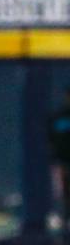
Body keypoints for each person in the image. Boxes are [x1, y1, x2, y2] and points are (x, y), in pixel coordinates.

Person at [48, 86, 70, 232]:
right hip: (62, 162)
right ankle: (63, 223)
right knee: (63, 195)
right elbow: (50, 140)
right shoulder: (59, 117)